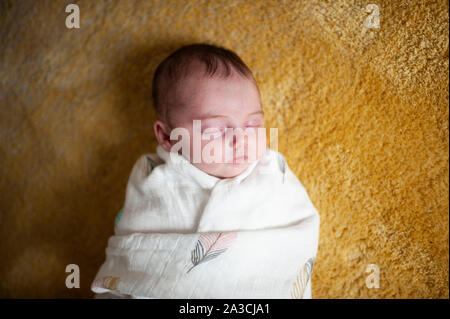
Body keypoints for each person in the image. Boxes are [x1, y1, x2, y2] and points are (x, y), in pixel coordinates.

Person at [91, 43, 320, 299]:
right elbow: (133, 255)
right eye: (215, 129)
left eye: (253, 124)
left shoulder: (273, 175)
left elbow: (298, 237)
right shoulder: (154, 179)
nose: (240, 138)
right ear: (167, 137)